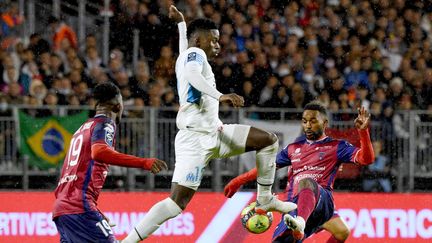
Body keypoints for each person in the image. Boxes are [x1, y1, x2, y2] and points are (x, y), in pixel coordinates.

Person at [122, 6, 296, 242]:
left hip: (215, 133)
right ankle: (127, 241)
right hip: (194, 140)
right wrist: (219, 95)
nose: (217, 45)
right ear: (199, 41)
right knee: (176, 204)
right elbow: (194, 73)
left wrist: (182, 25)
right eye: (213, 40)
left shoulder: (188, 54)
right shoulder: (196, 56)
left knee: (268, 141)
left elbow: (187, 53)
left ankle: (264, 198)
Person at [223, 102, 375, 242]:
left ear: (325, 123)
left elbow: (366, 159)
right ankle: (299, 225)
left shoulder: (337, 146)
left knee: (307, 181)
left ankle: (300, 223)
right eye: (304, 121)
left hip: (322, 202)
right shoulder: (292, 148)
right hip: (294, 205)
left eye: (313, 121)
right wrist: (239, 181)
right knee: (341, 232)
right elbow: (267, 167)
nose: (308, 125)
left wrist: (363, 132)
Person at [52, 82, 168, 243]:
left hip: (63, 208)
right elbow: (99, 152)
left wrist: (95, 211)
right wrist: (144, 163)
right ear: (117, 106)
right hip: (79, 206)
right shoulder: (105, 123)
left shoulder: (83, 128)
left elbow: (71, 174)